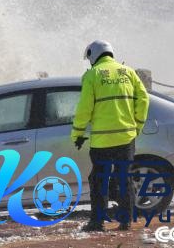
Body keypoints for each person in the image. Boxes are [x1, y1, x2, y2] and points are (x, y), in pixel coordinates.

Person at [71, 40, 149, 232]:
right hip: (126, 139)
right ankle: (126, 221)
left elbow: (84, 109)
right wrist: (136, 127)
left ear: (93, 55)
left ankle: (97, 222)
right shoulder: (128, 72)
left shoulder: (92, 75)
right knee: (124, 179)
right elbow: (144, 99)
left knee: (99, 180)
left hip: (102, 141)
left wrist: (78, 133)